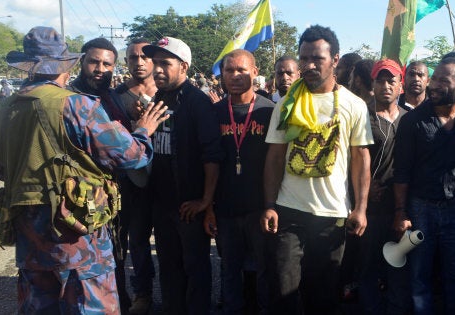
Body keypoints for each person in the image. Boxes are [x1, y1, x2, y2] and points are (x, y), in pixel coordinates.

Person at [0, 26, 168, 315]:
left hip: (28, 237)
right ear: (68, 64)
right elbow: (131, 156)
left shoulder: (2, 109)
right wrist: (142, 131)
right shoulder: (76, 105)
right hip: (75, 235)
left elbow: (0, 169)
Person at [261, 25, 373, 314]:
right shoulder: (286, 104)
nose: (309, 65)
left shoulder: (354, 105)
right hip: (289, 211)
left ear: (335, 59)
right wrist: (270, 205)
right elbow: (274, 156)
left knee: (322, 296)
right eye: (304, 58)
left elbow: (361, 158)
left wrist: (360, 208)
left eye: (317, 59)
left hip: (332, 215)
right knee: (284, 293)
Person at [393, 57, 455, 315]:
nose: (433, 85)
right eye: (434, 79)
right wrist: (400, 212)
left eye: (443, 81)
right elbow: (402, 172)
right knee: (420, 278)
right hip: (420, 209)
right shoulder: (413, 122)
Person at [142, 36, 224, 314]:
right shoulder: (158, 99)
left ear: (184, 67)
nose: (158, 70)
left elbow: (212, 156)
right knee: (168, 268)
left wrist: (205, 201)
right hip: (161, 203)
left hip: (189, 205)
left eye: (166, 63)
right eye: (156, 63)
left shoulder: (198, 103)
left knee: (195, 269)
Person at [68, 36, 137, 311]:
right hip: (80, 199)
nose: (100, 69)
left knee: (117, 254)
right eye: (94, 62)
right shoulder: (69, 99)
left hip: (114, 195)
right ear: (81, 62)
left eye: (107, 64)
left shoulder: (113, 97)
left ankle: (120, 298)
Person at [206, 49, 274, 314]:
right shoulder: (214, 112)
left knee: (265, 271)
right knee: (229, 270)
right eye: (229, 70)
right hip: (225, 208)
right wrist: (209, 206)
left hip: (260, 207)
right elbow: (208, 163)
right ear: (222, 75)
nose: (235, 76)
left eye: (242, 70)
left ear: (255, 73)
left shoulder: (270, 111)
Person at [356, 58, 410, 314]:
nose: (386, 86)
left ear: (401, 85)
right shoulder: (361, 116)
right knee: (368, 266)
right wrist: (363, 189)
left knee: (399, 265)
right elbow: (348, 159)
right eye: (381, 80)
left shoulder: (410, 119)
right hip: (371, 208)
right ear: (372, 84)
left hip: (402, 207)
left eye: (392, 80)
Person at [113, 37, 158, 315]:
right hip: (130, 180)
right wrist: (130, 123)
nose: (139, 62)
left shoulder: (167, 91)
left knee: (168, 241)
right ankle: (143, 293)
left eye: (144, 56)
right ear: (126, 61)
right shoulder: (116, 96)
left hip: (165, 178)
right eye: (132, 57)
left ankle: (178, 292)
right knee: (137, 239)